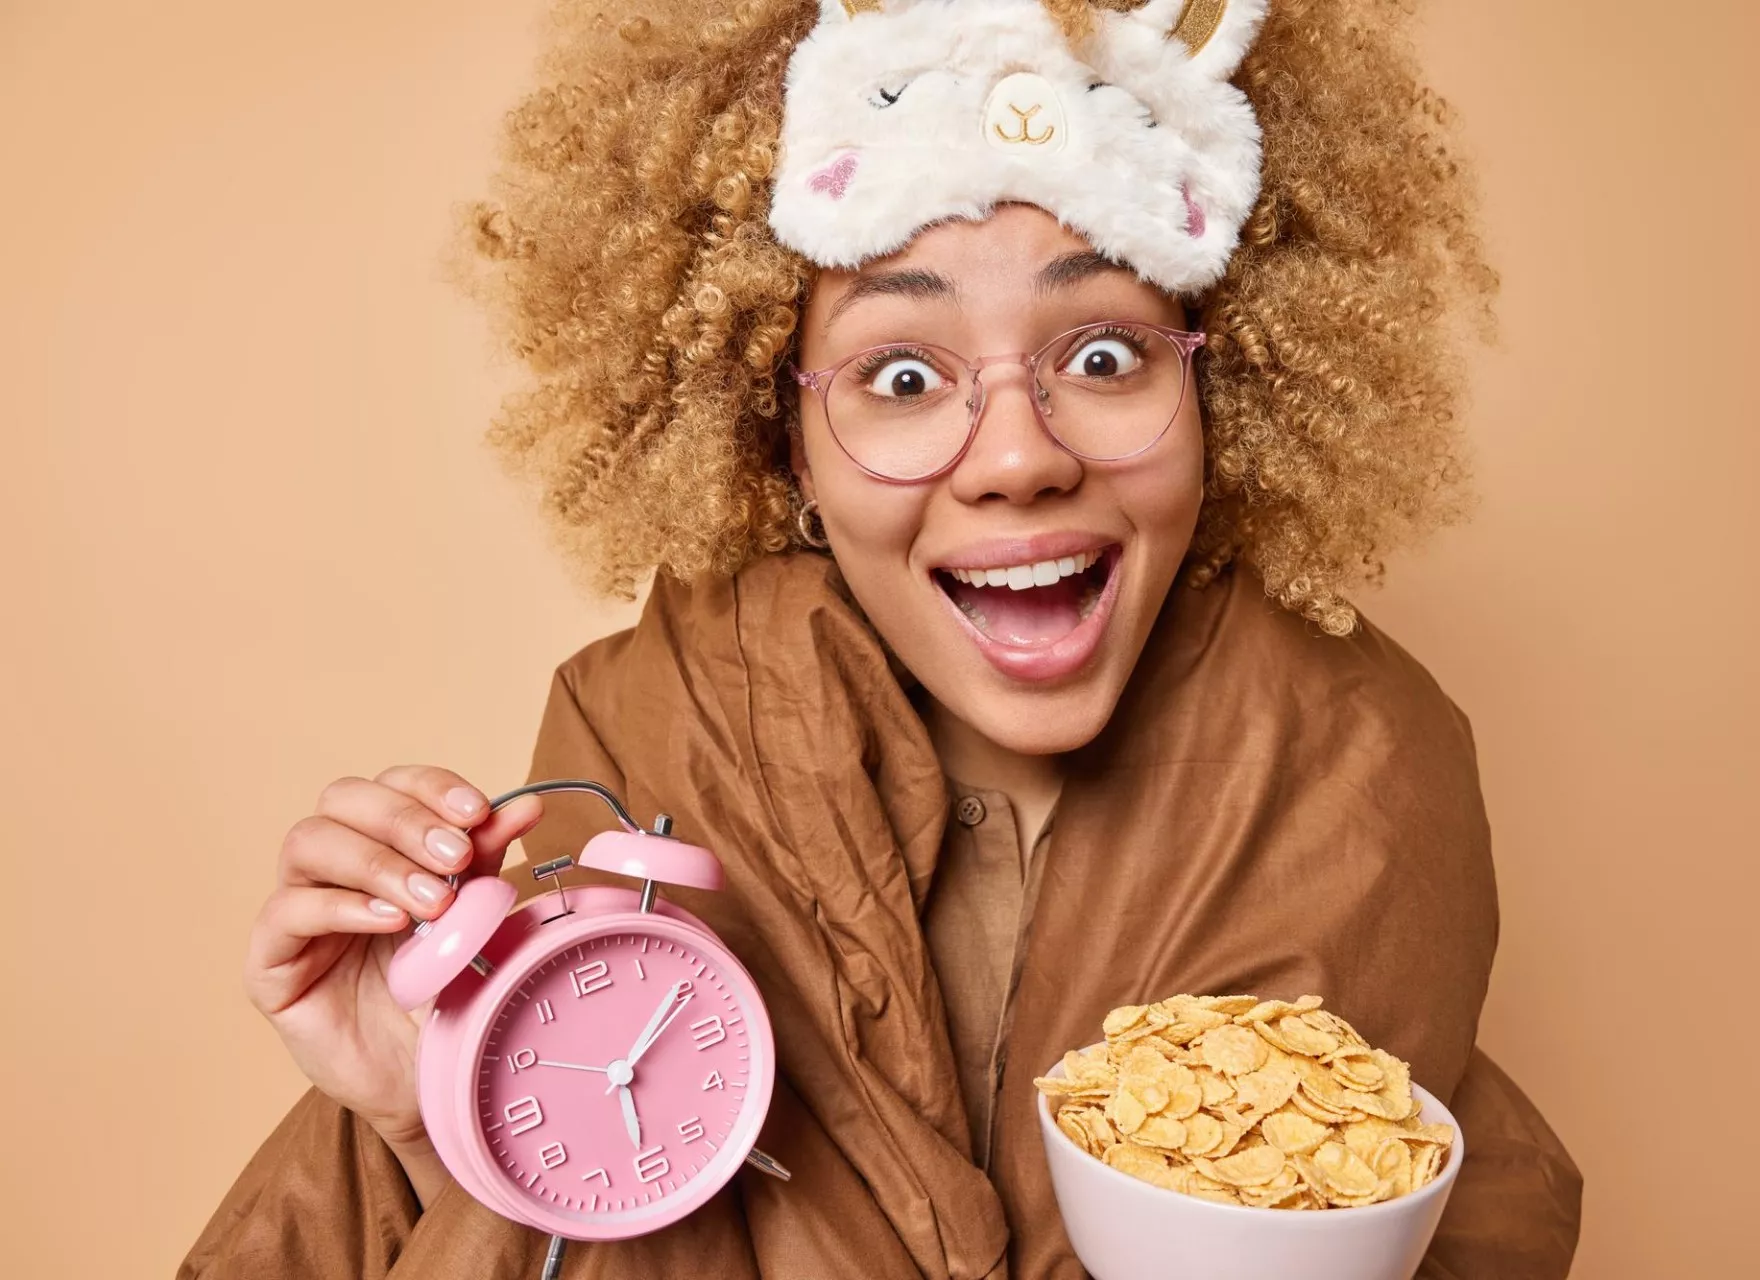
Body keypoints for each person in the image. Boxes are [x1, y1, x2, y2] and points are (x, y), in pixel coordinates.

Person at [182, 0, 1581, 1275]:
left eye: (1103, 356)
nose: (1018, 457)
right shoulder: (635, 748)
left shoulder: (1358, 777)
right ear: (779, 434)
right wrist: (435, 1131)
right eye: (901, 377)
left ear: (1228, 394)